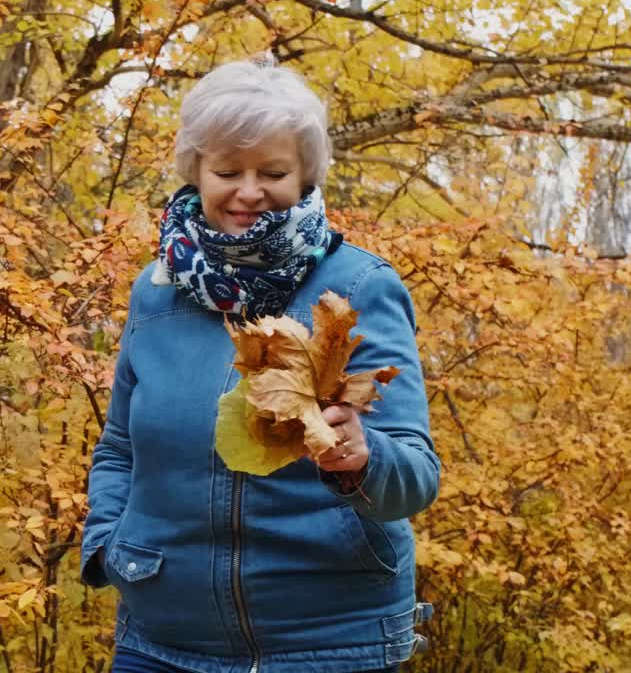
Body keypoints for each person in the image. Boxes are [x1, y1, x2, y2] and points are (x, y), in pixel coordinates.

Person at [80, 59, 441, 673]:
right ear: (196, 171)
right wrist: (109, 544)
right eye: (228, 170)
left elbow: (416, 475)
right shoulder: (158, 289)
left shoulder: (359, 286)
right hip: (159, 639)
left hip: (329, 640)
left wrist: (365, 457)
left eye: (273, 172)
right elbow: (119, 447)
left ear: (305, 175)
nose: (250, 191)